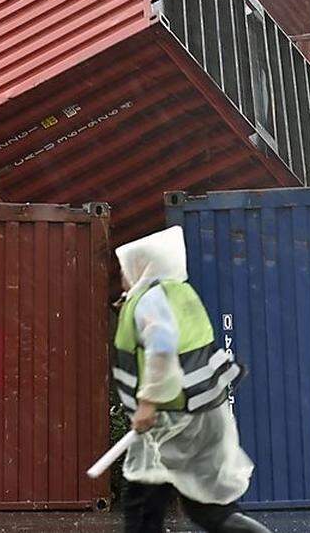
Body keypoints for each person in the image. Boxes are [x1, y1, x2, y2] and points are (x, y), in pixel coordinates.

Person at [113, 226, 272, 533]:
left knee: (143, 503)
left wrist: (147, 402)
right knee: (207, 509)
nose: (122, 276)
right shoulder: (179, 293)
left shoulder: (150, 300)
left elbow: (161, 347)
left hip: (170, 420)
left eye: (125, 269)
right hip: (201, 414)